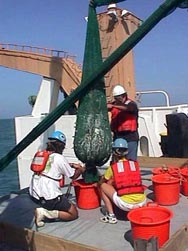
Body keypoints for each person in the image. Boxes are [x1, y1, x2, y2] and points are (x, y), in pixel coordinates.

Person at [29, 130, 85, 227]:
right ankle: (45, 213)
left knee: (61, 202)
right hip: (48, 197)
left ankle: (46, 208)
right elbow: (73, 176)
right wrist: (80, 169)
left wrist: (70, 164)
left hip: (34, 195)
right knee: (73, 213)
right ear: (61, 146)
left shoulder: (41, 154)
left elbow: (51, 165)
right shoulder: (59, 158)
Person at [99, 138, 146, 224]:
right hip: (142, 202)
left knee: (103, 186)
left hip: (126, 204)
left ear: (114, 152)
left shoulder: (113, 167)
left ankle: (111, 216)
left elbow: (103, 181)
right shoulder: (134, 165)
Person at [107, 84, 139, 161]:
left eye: (118, 98)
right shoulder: (114, 104)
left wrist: (113, 106)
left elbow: (127, 108)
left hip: (130, 137)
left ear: (124, 96)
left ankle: (130, 172)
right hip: (118, 136)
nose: (116, 100)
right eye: (115, 98)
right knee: (116, 160)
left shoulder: (131, 104)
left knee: (130, 160)